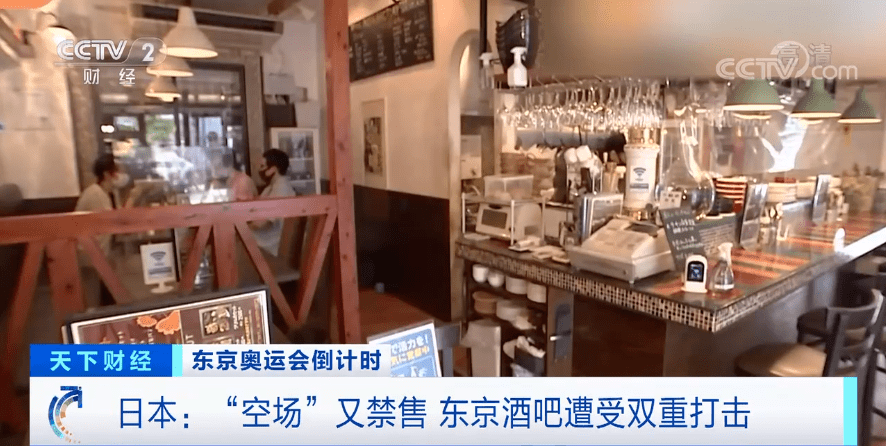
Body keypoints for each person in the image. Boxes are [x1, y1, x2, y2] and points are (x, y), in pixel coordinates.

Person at [75, 154, 144, 308]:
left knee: (107, 297)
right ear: (107, 174)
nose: (121, 176)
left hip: (99, 254)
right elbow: (119, 223)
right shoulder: (96, 194)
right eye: (118, 172)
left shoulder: (108, 193)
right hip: (90, 257)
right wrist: (133, 197)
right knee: (94, 301)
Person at [249, 149, 295, 255]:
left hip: (268, 245)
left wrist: (242, 229)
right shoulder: (271, 187)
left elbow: (263, 223)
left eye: (262, 166)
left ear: (273, 169)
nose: (259, 170)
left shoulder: (281, 188)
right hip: (260, 239)